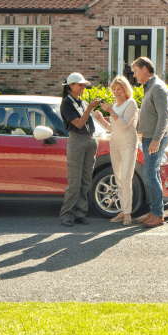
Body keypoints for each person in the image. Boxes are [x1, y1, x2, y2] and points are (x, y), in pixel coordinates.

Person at [58, 72, 110, 227]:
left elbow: (88, 120)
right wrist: (89, 108)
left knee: (86, 180)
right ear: (71, 85)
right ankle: (66, 215)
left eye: (83, 85)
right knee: (74, 182)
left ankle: (80, 213)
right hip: (77, 140)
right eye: (80, 85)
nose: (83, 87)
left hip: (89, 140)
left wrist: (96, 112)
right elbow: (79, 124)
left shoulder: (81, 102)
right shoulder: (66, 103)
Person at [130, 56, 168, 227]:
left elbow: (164, 116)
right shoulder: (150, 87)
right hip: (148, 137)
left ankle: (158, 214)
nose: (134, 75)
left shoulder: (158, 88)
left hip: (155, 138)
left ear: (145, 69)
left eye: (136, 71)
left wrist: (155, 140)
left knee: (149, 175)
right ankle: (154, 211)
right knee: (150, 175)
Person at [105, 75, 140, 227]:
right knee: (118, 178)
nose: (116, 92)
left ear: (126, 89)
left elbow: (125, 124)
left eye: (119, 89)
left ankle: (127, 214)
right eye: (114, 89)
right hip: (115, 145)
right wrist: (101, 118)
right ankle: (123, 210)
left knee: (126, 178)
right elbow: (113, 128)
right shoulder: (115, 105)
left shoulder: (130, 103)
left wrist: (111, 111)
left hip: (128, 144)